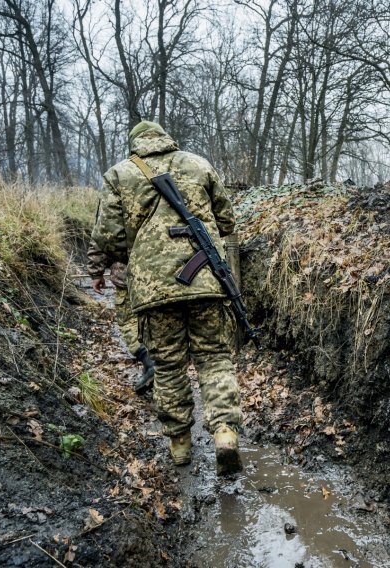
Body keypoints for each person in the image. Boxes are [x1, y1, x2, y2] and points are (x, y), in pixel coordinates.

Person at [91, 120, 243, 475]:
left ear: (135, 144)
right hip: (206, 279)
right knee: (215, 358)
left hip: (153, 289)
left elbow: (109, 237)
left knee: (169, 365)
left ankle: (180, 445)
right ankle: (224, 434)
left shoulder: (118, 174)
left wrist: (144, 250)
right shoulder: (199, 164)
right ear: (165, 138)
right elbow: (227, 219)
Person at [87, 240, 155, 394]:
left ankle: (151, 363)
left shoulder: (118, 213)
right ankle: (156, 370)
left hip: (129, 273)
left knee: (129, 322)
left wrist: (96, 272)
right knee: (158, 321)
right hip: (168, 275)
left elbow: (103, 236)